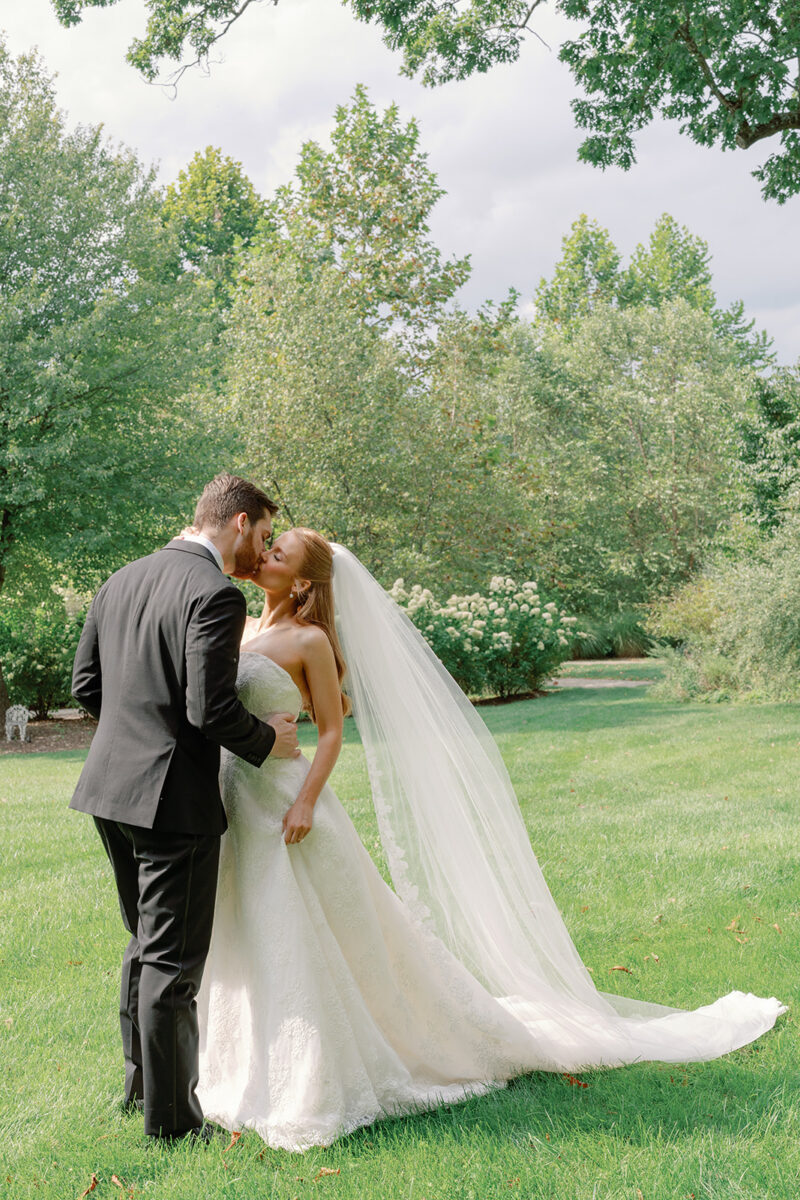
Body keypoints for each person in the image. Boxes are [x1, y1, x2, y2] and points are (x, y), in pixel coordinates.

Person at [196, 528, 786, 1152]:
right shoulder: (239, 628)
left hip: (287, 799)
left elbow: (334, 731)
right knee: (246, 923)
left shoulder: (309, 640)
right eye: (266, 549)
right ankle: (234, 1062)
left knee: (301, 926)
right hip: (237, 794)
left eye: (277, 554)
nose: (262, 558)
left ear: (305, 581)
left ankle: (312, 1076)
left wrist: (309, 800)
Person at [70, 474, 301, 1142]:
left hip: (108, 793)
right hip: (173, 801)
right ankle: (172, 1124)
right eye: (260, 534)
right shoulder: (214, 594)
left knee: (144, 946)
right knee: (172, 965)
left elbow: (87, 684)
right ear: (236, 521)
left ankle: (141, 1088)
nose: (259, 550)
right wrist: (269, 740)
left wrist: (131, 736)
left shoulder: (119, 579)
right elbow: (211, 709)